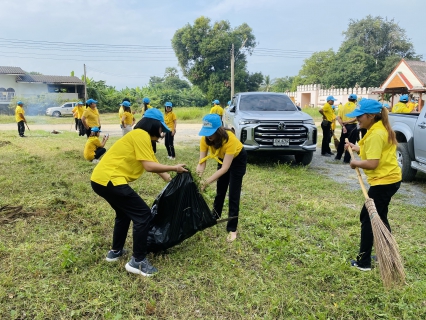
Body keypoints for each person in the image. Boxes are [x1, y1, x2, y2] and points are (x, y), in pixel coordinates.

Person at [91, 108, 188, 276]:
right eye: (161, 128)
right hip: (111, 180)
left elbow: (154, 164)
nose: (162, 133)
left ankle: (115, 252)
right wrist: (174, 167)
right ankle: (138, 261)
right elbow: (149, 166)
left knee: (123, 214)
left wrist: (172, 182)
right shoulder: (141, 135)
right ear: (154, 125)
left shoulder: (138, 137)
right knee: (143, 215)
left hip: (100, 180)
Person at [344, 99, 401, 271]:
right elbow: (372, 151)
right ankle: (388, 254)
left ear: (371, 116)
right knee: (380, 217)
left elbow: (373, 163)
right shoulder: (374, 129)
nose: (357, 119)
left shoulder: (376, 133)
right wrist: (355, 148)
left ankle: (364, 262)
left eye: (359, 116)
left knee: (367, 218)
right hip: (388, 180)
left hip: (384, 181)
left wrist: (356, 164)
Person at [196, 114, 247, 242]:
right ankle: (215, 216)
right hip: (223, 158)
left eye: (211, 133)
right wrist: (198, 179)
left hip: (237, 159)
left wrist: (206, 182)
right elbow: (202, 162)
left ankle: (232, 229)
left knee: (233, 194)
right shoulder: (205, 139)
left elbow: (225, 169)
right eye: (206, 132)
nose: (209, 136)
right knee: (220, 190)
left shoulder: (230, 140)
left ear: (219, 130)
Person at [334, 94, 358, 163]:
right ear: (355, 100)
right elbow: (356, 118)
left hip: (344, 127)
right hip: (352, 127)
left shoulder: (342, 107)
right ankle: (346, 160)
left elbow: (338, 117)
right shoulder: (356, 107)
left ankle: (338, 157)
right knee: (350, 143)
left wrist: (343, 125)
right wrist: (347, 122)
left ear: (348, 99)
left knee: (342, 142)